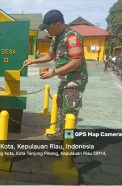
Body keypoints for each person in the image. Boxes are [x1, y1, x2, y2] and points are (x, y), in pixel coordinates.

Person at [23, 10, 88, 139]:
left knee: (69, 113)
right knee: (60, 109)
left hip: (75, 81)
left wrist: (53, 72)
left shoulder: (72, 37)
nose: (47, 30)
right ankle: (60, 136)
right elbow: (50, 56)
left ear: (58, 24)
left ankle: (67, 146)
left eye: (48, 27)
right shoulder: (56, 38)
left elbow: (76, 62)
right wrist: (33, 60)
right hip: (65, 80)